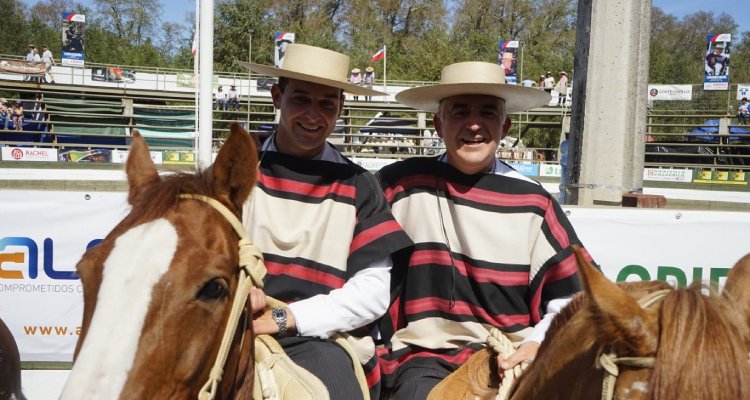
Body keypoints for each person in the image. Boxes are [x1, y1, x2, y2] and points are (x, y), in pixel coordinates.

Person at [376, 61, 587, 399]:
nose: (474, 125)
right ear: (437, 123)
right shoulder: (401, 185)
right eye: (460, 112)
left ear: (504, 126)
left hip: (513, 358)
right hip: (425, 356)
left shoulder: (534, 202)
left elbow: (574, 297)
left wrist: (536, 344)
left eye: (487, 113)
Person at [237, 43, 413, 400]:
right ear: (277, 96)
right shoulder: (238, 166)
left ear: (341, 108)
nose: (313, 115)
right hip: (232, 325)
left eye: (326, 104)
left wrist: (287, 319)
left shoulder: (360, 184)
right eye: (301, 99)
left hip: (320, 339)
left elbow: (372, 295)